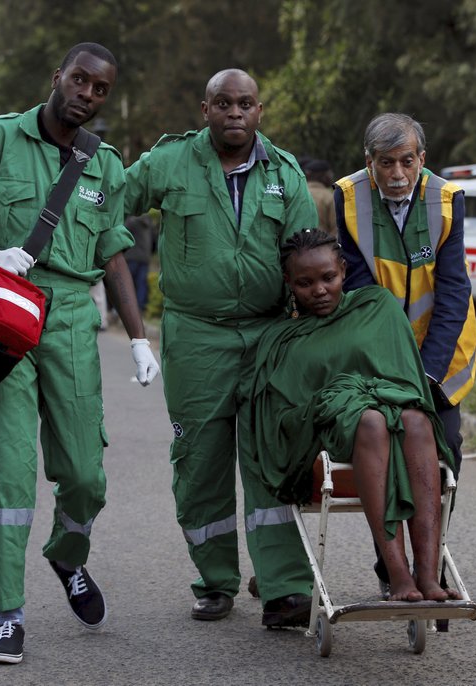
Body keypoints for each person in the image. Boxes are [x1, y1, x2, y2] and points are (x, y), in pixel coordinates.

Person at [0, 42, 160, 665]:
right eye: (79, 80)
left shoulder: (106, 166)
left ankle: (68, 554)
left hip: (69, 321)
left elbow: (113, 252)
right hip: (3, 314)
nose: (87, 93)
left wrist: (138, 336)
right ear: (58, 76)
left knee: (85, 474)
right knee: (7, 473)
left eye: (100, 88)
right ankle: (9, 614)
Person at [124, 68, 318, 627]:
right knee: (201, 461)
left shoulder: (285, 173)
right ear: (204, 110)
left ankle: (284, 588)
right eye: (224, 103)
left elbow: (308, 261)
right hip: (195, 336)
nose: (235, 113)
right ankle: (214, 582)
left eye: (246, 104)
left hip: (268, 337)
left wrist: (307, 340)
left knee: (271, 459)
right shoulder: (171, 162)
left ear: (260, 112)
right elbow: (110, 203)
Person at [249, 229, 461, 601]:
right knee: (371, 421)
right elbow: (283, 419)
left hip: (391, 418)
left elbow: (407, 381)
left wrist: (368, 397)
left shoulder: (376, 305)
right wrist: (343, 400)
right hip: (326, 438)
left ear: (344, 271)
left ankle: (428, 575)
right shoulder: (283, 338)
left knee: (416, 419)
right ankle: (398, 576)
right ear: (288, 283)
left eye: (328, 277)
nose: (319, 290)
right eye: (305, 282)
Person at [334, 112, 476, 593]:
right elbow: (357, 290)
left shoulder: (448, 201)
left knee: (447, 452)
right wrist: (391, 368)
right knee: (383, 455)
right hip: (378, 354)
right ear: (369, 161)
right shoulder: (348, 197)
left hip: (440, 358)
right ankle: (391, 567)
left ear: (423, 159)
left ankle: (429, 562)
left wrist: (429, 374)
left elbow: (454, 292)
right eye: (386, 163)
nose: (397, 175)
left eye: (407, 162)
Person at [123, 213, 155, 313]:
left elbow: (121, 236)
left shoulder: (131, 221)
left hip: (131, 256)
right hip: (145, 258)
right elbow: (154, 241)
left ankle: (122, 310)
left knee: (126, 284)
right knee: (141, 284)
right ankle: (139, 309)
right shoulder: (149, 222)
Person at [304, 159, 336, 236]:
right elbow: (336, 229)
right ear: (323, 176)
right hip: (322, 245)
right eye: (329, 174)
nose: (332, 176)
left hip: (296, 245)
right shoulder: (329, 197)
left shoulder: (295, 193)